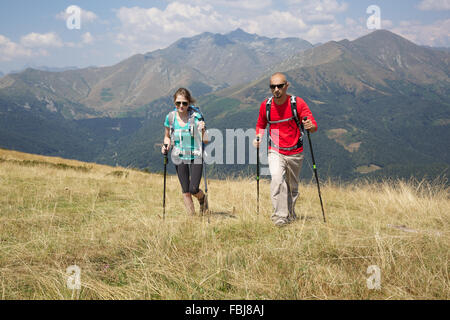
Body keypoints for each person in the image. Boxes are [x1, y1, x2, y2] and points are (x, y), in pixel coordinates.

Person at [253, 72, 318, 227]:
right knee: (276, 179)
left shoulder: (297, 103)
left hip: (295, 151)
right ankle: (280, 216)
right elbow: (261, 124)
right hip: (275, 150)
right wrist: (258, 136)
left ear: (286, 86)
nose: (276, 89)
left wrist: (311, 126)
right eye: (273, 86)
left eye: (280, 86)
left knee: (292, 186)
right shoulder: (266, 106)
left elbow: (312, 124)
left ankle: (290, 213)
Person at [162, 88, 209, 215]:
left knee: (193, 188)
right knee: (185, 190)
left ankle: (203, 199)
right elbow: (167, 136)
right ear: (174, 103)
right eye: (178, 103)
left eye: (184, 103)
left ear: (189, 103)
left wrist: (203, 130)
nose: (181, 106)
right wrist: (165, 145)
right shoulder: (170, 118)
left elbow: (206, 140)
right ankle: (192, 219)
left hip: (196, 155)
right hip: (179, 155)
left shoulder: (196, 117)